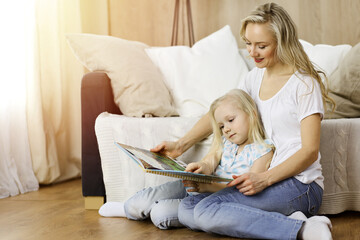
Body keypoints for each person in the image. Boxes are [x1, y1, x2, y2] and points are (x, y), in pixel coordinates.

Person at [151, 3, 334, 240]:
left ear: (283, 41)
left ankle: (303, 229)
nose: (252, 52)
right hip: (264, 179)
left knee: (204, 211)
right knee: (187, 211)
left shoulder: (304, 84)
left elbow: (309, 151)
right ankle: (289, 220)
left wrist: (264, 179)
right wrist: (181, 145)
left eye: (262, 46)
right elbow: (221, 111)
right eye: (248, 43)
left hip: (300, 185)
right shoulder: (254, 77)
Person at [122, 89, 274, 230]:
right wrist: (201, 167)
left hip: (214, 197)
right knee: (134, 205)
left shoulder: (263, 150)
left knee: (160, 214)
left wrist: (208, 187)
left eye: (231, 120)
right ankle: (129, 208)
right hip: (197, 185)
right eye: (221, 126)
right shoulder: (227, 143)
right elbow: (210, 162)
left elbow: (247, 190)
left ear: (252, 114)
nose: (226, 129)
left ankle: (149, 208)